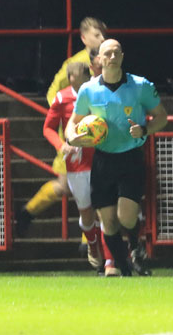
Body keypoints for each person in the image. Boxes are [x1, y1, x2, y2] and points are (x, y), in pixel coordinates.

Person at [66, 39, 167, 277]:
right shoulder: (89, 90)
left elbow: (161, 117)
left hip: (131, 158)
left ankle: (135, 247)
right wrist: (72, 138)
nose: (111, 57)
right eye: (107, 54)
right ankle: (125, 271)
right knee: (109, 222)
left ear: (122, 56)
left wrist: (144, 130)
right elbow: (74, 122)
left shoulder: (140, 86)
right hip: (103, 160)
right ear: (99, 59)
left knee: (126, 216)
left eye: (116, 53)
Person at [37, 62, 103, 270]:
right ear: (73, 78)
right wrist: (61, 145)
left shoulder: (98, 92)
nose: (88, 75)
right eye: (84, 73)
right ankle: (93, 245)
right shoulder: (62, 98)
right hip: (77, 163)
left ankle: (111, 260)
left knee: (106, 209)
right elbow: (48, 128)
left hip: (102, 158)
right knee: (86, 212)